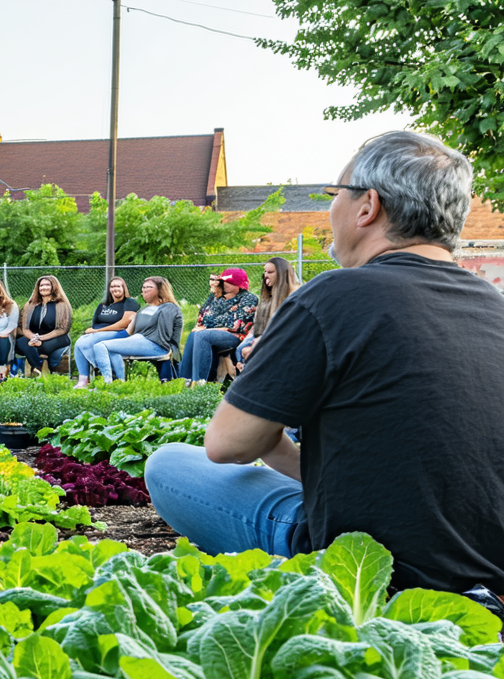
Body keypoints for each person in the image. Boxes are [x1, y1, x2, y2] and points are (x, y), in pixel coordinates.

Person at [146, 130, 504, 595]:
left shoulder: (334, 294)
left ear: (367, 206)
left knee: (169, 464)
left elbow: (226, 445)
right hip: (483, 571)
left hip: (363, 569)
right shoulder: (493, 305)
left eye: (335, 195)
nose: (331, 208)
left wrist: (276, 428)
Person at [81, 277, 183, 387]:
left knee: (100, 346)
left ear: (160, 290)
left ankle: (107, 384)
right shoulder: (145, 309)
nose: (144, 290)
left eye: (148, 287)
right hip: (139, 340)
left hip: (157, 345)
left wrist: (135, 341)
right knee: (112, 350)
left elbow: (163, 336)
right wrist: (101, 333)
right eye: (143, 287)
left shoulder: (169, 307)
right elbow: (129, 331)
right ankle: (120, 383)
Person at [178, 267, 257, 385]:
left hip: (236, 336)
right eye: (223, 281)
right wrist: (212, 324)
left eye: (229, 282)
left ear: (239, 284)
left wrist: (212, 326)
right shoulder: (218, 297)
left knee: (203, 335)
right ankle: (184, 379)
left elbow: (235, 325)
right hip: (217, 332)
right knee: (194, 333)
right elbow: (205, 317)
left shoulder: (249, 298)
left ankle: (199, 382)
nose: (224, 284)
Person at [236, 257, 301, 369]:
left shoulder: (294, 295)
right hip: (262, 335)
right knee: (241, 349)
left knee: (248, 350)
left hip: (280, 338)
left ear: (282, 274)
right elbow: (258, 325)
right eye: (265, 271)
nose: (266, 275)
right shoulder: (269, 294)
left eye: (270, 272)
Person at [73, 276, 138, 387]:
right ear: (109, 289)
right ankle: (83, 378)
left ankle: (105, 373)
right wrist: (95, 331)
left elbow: (124, 323)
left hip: (120, 333)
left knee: (83, 343)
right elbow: (95, 323)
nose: (115, 288)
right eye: (112, 286)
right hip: (100, 334)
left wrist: (98, 331)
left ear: (123, 288)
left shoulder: (130, 302)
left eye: (118, 286)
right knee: (78, 343)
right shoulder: (102, 305)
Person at [19, 275, 72, 376]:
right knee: (21, 342)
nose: (44, 287)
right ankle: (37, 368)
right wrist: (33, 337)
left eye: (48, 285)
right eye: (41, 285)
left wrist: (40, 339)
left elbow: (62, 329)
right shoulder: (31, 305)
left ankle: (43, 370)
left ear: (54, 287)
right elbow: (25, 328)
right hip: (35, 338)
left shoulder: (61, 304)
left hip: (57, 338)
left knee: (37, 346)